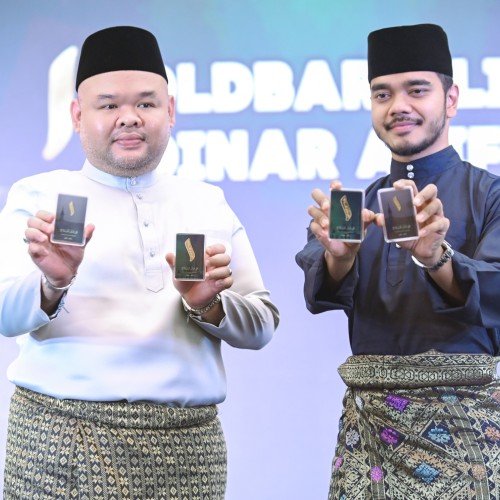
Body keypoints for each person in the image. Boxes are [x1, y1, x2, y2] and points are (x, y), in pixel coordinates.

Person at [0, 26, 279, 500]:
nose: (128, 118)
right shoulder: (41, 197)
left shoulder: (205, 201)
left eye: (146, 103)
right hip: (59, 442)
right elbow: (5, 315)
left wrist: (209, 307)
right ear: (77, 115)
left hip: (187, 450)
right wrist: (51, 285)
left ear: (170, 112)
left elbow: (262, 325)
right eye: (108, 105)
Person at [296, 23, 499, 499]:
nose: (398, 106)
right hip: (370, 440)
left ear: (451, 99)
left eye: (417, 90)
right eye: (382, 94)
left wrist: (436, 257)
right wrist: (340, 257)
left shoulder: (489, 195)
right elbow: (320, 290)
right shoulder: (353, 208)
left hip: (468, 435)